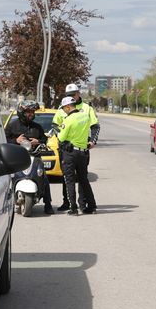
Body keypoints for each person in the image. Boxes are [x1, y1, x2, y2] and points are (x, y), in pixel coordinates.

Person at [53, 83, 100, 213]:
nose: (71, 96)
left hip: (76, 149)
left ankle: (81, 205)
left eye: (72, 94)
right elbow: (55, 124)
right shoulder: (61, 109)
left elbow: (95, 126)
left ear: (78, 94)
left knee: (72, 179)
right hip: (69, 149)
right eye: (68, 95)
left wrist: (93, 141)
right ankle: (67, 203)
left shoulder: (86, 108)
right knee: (73, 178)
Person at [5, 100, 54, 214]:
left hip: (34, 157)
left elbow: (44, 140)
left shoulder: (37, 127)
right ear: (22, 112)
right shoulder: (12, 126)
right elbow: (4, 139)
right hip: (16, 158)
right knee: (7, 179)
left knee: (44, 178)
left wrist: (39, 141)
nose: (31, 114)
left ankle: (48, 204)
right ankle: (7, 203)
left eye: (32, 112)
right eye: (28, 111)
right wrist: (15, 140)